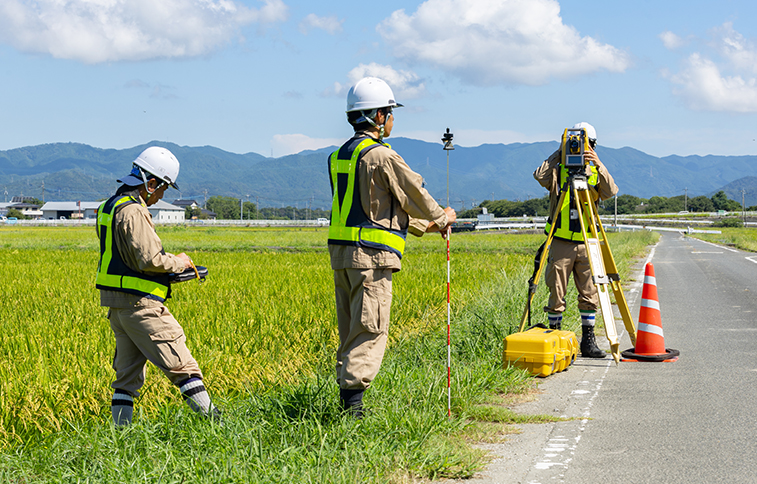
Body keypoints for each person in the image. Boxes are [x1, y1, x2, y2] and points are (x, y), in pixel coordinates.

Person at [328, 77, 456, 416]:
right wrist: (442, 219)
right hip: (372, 258)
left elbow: (374, 209)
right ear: (377, 116)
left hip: (343, 255)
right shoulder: (382, 157)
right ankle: (353, 408)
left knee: (350, 328)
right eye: (389, 112)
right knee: (370, 328)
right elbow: (412, 192)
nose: (392, 119)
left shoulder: (340, 156)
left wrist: (420, 228)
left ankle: (346, 399)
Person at [96, 146, 219, 425]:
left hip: (117, 306)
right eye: (163, 189)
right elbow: (150, 259)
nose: (161, 196)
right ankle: (217, 427)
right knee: (183, 366)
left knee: (126, 378)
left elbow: (124, 258)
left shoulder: (109, 206)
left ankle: (120, 437)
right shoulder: (134, 211)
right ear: (151, 183)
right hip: (143, 306)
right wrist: (180, 262)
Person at [533, 122, 619, 358]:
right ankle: (555, 337)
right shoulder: (558, 169)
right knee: (556, 291)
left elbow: (611, 191)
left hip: (587, 241)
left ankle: (588, 340)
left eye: (585, 144)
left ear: (593, 145)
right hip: (561, 241)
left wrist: (597, 163)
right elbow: (539, 175)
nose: (580, 148)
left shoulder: (594, 171)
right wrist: (560, 152)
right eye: (575, 144)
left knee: (589, 292)